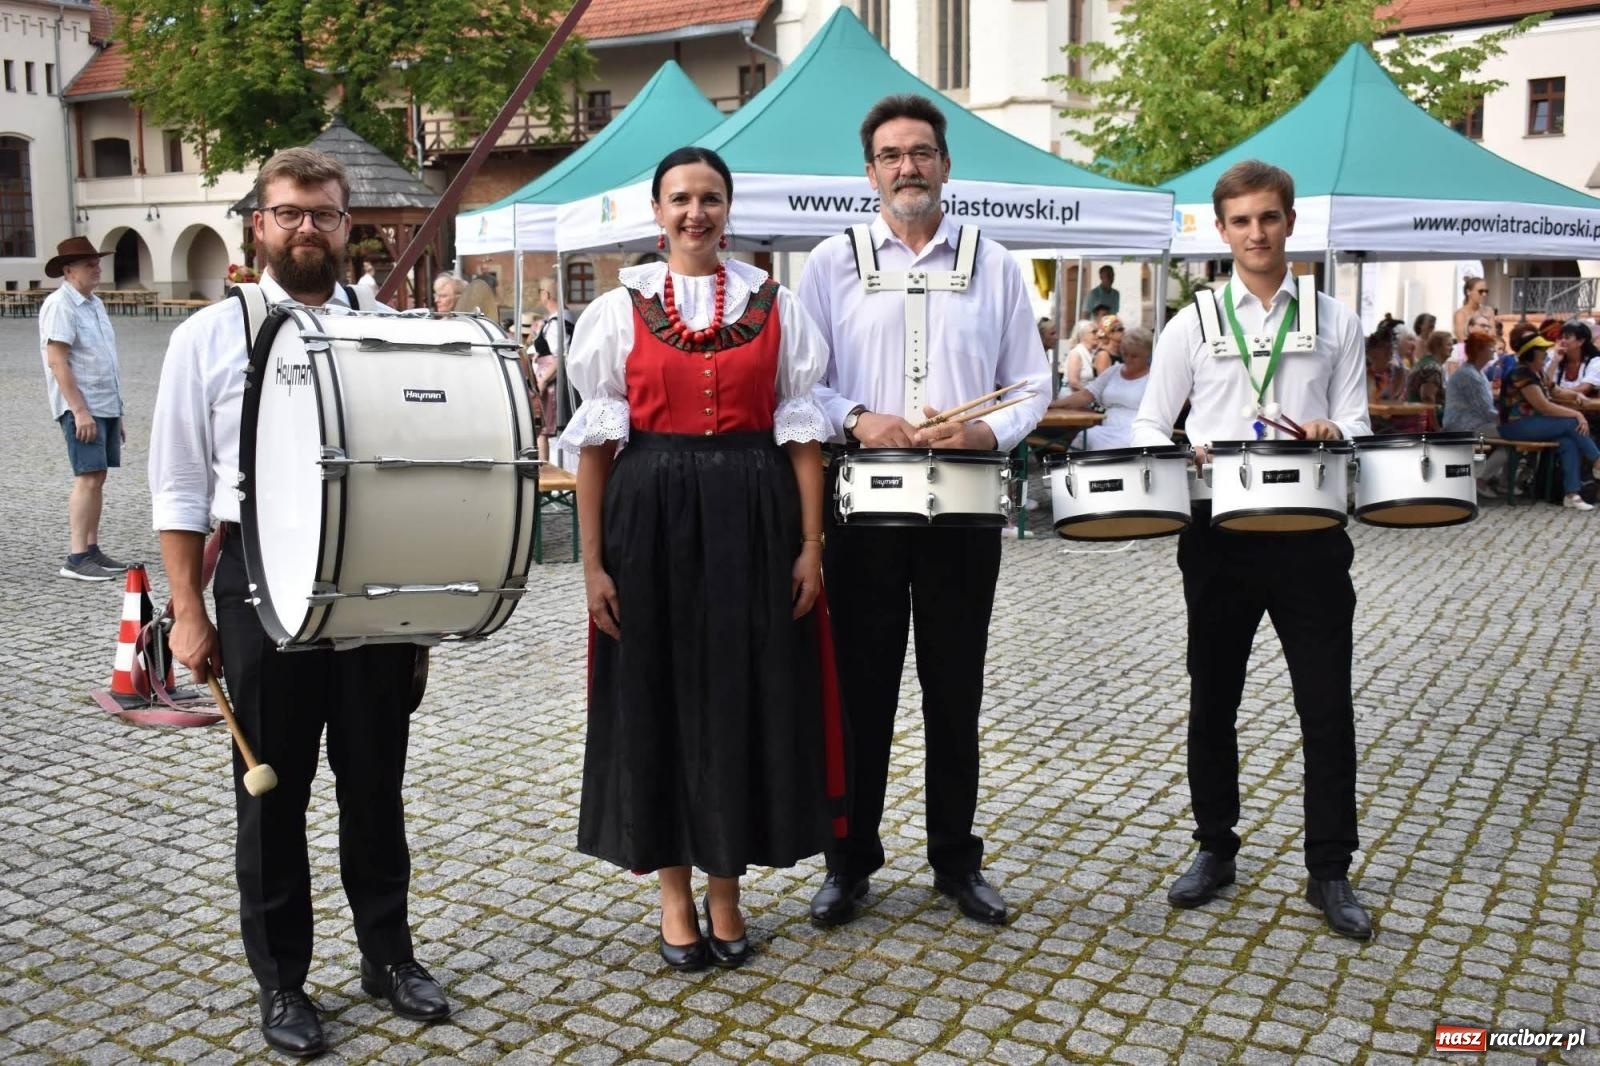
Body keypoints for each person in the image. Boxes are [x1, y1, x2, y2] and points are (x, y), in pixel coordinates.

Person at [149, 148, 449, 1057]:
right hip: (258, 578)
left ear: (347, 223)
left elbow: (420, 467)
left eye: (322, 213)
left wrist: (424, 601)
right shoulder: (208, 337)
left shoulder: (388, 329)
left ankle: (388, 956)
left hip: (371, 579)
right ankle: (283, 981)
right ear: (259, 225)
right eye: (288, 213)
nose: (306, 228)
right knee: (272, 795)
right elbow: (178, 486)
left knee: (375, 783)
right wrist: (189, 609)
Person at [561, 146, 841, 973]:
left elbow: (802, 437)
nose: (696, 212)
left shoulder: (776, 303)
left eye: (710, 198)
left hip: (754, 519)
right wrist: (592, 565)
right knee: (659, 698)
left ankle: (727, 890)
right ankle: (675, 898)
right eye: (680, 198)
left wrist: (811, 546)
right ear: (657, 212)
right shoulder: (618, 311)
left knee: (743, 696)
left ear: (728, 208)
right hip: (648, 523)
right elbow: (595, 450)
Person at [798, 93, 1050, 929]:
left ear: (946, 164)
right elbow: (801, 384)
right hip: (863, 511)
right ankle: (849, 863)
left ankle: (955, 861)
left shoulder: (996, 264)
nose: (907, 167)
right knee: (859, 696)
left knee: (954, 691)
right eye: (891, 155)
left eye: (921, 152)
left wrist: (987, 429)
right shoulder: (829, 264)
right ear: (869, 171)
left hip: (964, 511)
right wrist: (857, 418)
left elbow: (1033, 384)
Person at [1131, 159, 1374, 940]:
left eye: (1269, 217)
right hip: (1219, 536)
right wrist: (1184, 449)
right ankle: (1215, 847)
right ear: (1222, 229)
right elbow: (1148, 423)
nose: (1256, 233)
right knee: (1214, 699)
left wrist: (1335, 429)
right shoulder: (1193, 322)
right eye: (1241, 220)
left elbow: (1359, 422)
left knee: (1326, 706)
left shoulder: (1335, 319)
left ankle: (1329, 869)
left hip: (1310, 532)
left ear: (1290, 222)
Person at [39, 236, 129, 581]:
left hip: (103, 404)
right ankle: (76, 558)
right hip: (82, 407)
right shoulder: (61, 305)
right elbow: (57, 361)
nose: (97, 268)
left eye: (97, 262)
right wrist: (79, 411)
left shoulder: (94, 304)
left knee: (98, 476)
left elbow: (105, 360)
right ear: (68, 270)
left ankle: (91, 549)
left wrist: (117, 411)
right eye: (89, 264)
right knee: (87, 477)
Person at [1495, 332, 1600, 511]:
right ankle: (1597, 460)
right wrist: (1577, 414)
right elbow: (1544, 407)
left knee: (1568, 441)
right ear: (1531, 353)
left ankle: (1572, 494)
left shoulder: (1537, 373)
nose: (1545, 353)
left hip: (1532, 424)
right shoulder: (1521, 373)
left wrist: (1576, 395)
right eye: (1541, 350)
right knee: (1572, 423)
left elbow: (1556, 391)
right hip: (1514, 426)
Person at [1050, 325, 1153, 449]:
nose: (1128, 359)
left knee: (1108, 446)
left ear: (1147, 355)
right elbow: (1086, 395)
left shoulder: (1153, 378)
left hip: (1136, 432)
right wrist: (1054, 404)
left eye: (1134, 356)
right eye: (1125, 354)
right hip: (1106, 429)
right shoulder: (1113, 371)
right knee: (1084, 437)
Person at [1442, 330, 1508, 494]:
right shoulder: (1469, 375)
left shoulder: (1478, 373)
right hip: (1463, 427)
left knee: (1512, 439)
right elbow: (1486, 410)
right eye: (1490, 347)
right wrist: (1507, 420)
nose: (1493, 350)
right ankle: (1481, 479)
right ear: (1479, 350)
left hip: (1477, 424)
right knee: (1513, 437)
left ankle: (1498, 480)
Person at [530, 278, 576, 461]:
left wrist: (543, 380)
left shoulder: (558, 322)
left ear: (546, 294)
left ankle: (544, 469)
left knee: (542, 429)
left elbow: (561, 357)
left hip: (551, 383)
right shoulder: (563, 318)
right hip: (551, 379)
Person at [1062, 320, 1101, 392]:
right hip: (1073, 395)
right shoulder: (1076, 353)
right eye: (1094, 332)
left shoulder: (1092, 353)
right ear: (1083, 335)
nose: (1098, 335)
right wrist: (1091, 394)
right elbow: (1073, 382)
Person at [1453, 275, 1488, 339]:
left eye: (1486, 291)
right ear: (1468, 292)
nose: (1484, 294)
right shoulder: (1460, 314)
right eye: (1480, 291)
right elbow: (1462, 338)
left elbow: (1493, 336)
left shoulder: (1488, 311)